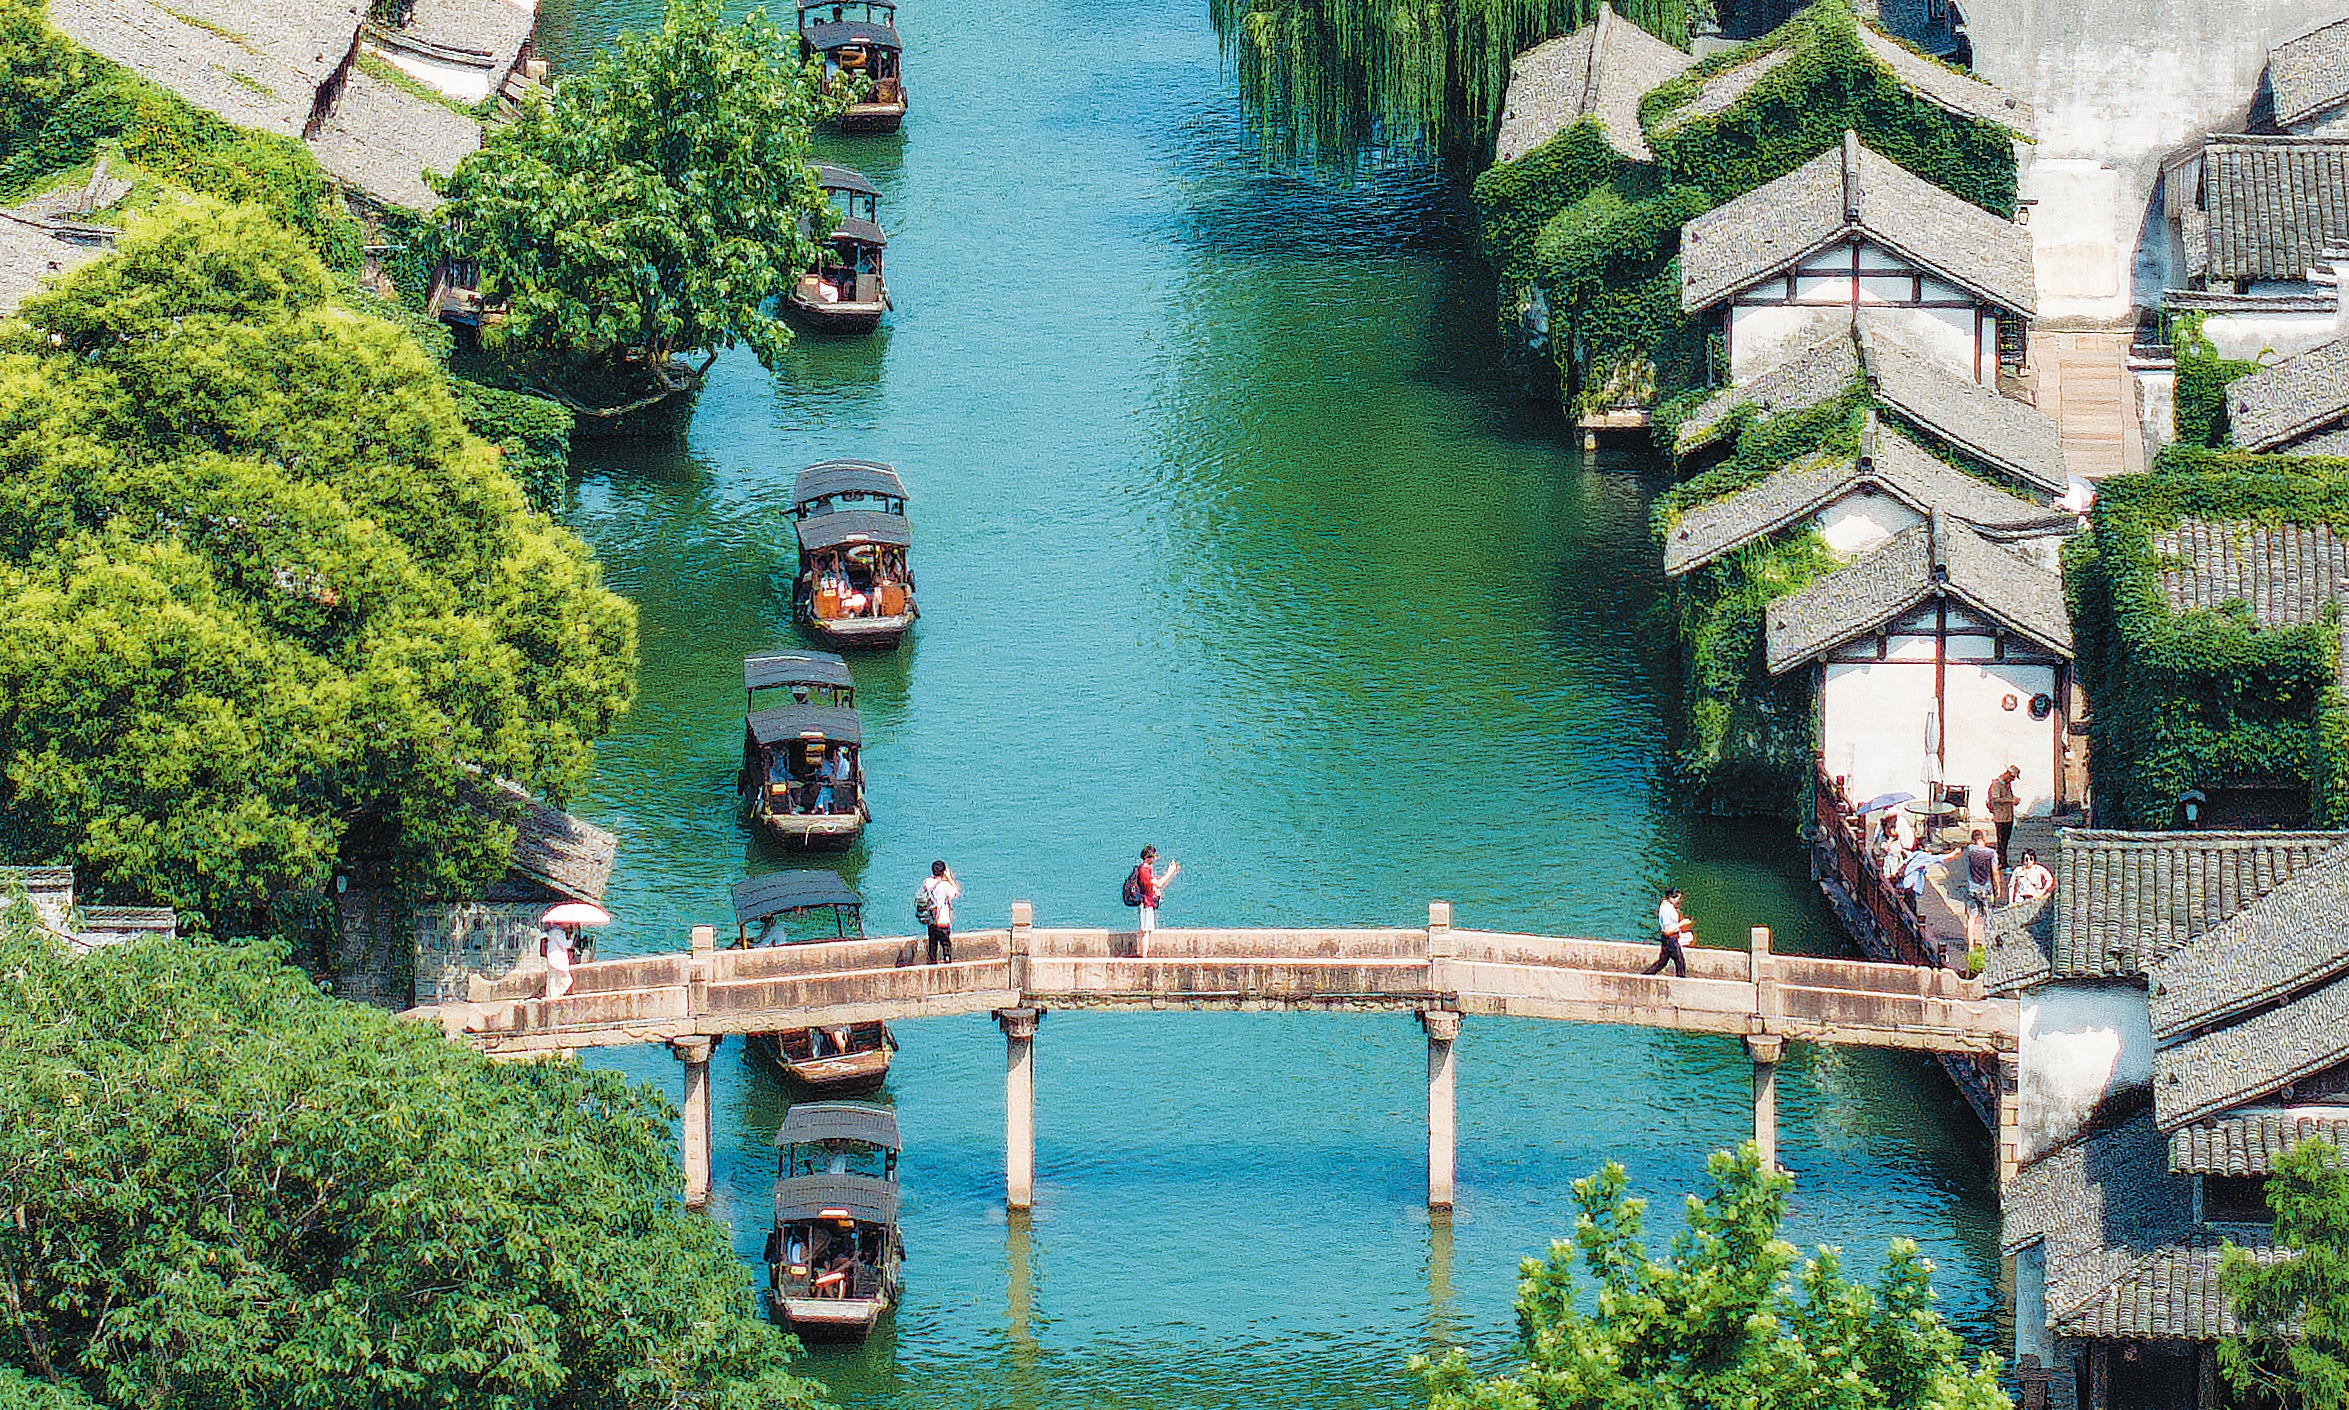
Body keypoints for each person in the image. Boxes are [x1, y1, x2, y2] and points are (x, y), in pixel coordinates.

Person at [1130, 845, 1178, 954]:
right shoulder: (1145, 870)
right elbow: (1159, 883)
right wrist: (1170, 872)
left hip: (1148, 902)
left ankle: (1144, 954)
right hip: (1146, 903)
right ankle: (1144, 955)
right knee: (1146, 930)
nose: (1155, 859)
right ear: (1148, 857)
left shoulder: (1147, 869)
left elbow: (1157, 884)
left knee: (1147, 930)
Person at [1962, 828, 2002, 947]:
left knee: (1971, 917)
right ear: (1984, 839)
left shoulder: (1969, 851)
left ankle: (1970, 945)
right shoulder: (1991, 853)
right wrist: (1998, 887)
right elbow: (1994, 872)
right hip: (1986, 889)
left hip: (1971, 888)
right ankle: (1989, 942)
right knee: (1987, 915)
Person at [1645, 887, 1694, 978]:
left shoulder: (1669, 907)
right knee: (1679, 961)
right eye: (1678, 899)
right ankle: (1681, 979)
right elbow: (1667, 930)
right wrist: (1681, 924)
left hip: (1671, 938)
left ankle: (1646, 975)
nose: (1679, 902)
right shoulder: (1666, 909)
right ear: (1672, 897)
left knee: (1662, 962)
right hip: (1670, 939)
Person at [918, 860, 960, 964]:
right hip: (942, 920)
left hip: (931, 919)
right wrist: (949, 878)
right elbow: (955, 893)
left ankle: (932, 961)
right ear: (943, 871)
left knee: (933, 945)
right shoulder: (945, 885)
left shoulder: (927, 882)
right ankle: (947, 958)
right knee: (945, 944)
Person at [1987, 766, 2021, 866]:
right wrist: (2010, 800)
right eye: (2012, 777)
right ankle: (2001, 861)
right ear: (2007, 774)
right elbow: (1995, 799)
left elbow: (2008, 796)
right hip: (2000, 817)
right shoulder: (1997, 784)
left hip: (2008, 816)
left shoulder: (2007, 784)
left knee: (2006, 840)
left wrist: (2014, 798)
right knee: (2001, 841)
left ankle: (2003, 860)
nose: (2012, 780)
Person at [542, 923, 574, 999]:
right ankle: (556, 995)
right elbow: (567, 945)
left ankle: (551, 996)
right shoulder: (557, 933)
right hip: (557, 959)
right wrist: (571, 937)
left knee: (553, 979)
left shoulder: (553, 933)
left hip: (553, 958)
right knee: (565, 979)